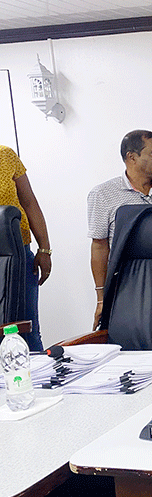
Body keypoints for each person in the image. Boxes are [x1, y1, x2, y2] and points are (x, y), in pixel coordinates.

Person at [87, 130, 152, 329]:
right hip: (125, 288)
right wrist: (101, 298)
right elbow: (99, 246)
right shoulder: (103, 195)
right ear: (132, 157)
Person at [0, 145, 51, 351]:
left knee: (28, 328)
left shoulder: (5, 155)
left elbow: (29, 203)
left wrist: (44, 248)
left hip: (19, 253)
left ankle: (38, 378)